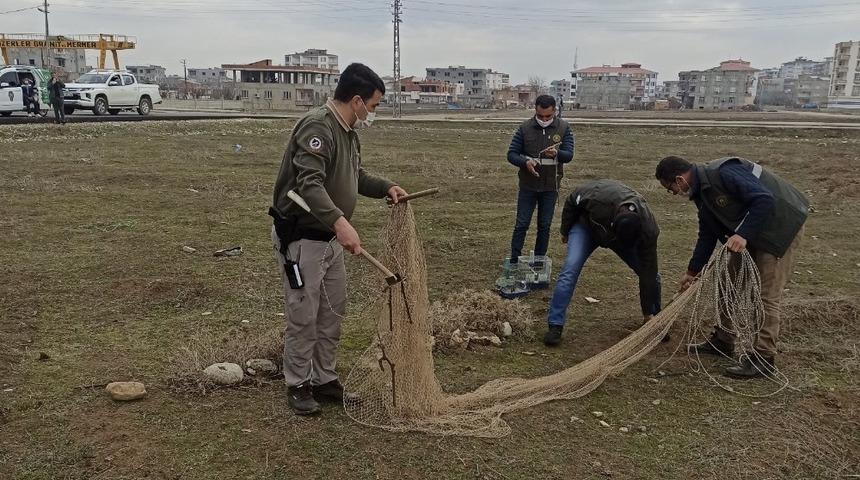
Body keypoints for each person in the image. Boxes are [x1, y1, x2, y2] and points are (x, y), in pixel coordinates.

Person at [269, 63, 408, 415]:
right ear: (357, 100)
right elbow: (308, 184)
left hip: (330, 241)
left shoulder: (348, 131)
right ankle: (297, 383)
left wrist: (385, 188)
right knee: (305, 312)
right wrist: (339, 222)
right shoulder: (319, 126)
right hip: (304, 239)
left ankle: (324, 378)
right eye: (373, 106)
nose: (372, 113)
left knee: (332, 310)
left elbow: (353, 174)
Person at [655, 155, 808, 378]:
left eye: (671, 189)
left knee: (766, 296)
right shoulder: (702, 193)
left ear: (679, 179)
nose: (675, 194)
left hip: (779, 230)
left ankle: (763, 359)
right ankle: (723, 341)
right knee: (728, 283)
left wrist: (743, 234)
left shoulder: (724, 172)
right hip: (754, 231)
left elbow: (764, 199)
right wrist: (692, 272)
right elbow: (707, 234)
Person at [544, 180, 661, 346]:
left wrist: (649, 313)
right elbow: (572, 200)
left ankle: (655, 320)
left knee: (653, 275)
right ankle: (555, 326)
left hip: (621, 238)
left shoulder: (648, 229)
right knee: (570, 269)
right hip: (587, 227)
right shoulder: (598, 198)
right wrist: (565, 230)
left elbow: (649, 272)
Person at [506, 94, 575, 264]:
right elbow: (512, 154)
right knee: (521, 224)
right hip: (528, 186)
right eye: (540, 116)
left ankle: (538, 262)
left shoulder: (564, 128)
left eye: (548, 116)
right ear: (535, 111)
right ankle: (514, 260)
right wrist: (525, 162)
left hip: (550, 187)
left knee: (544, 226)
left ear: (555, 111)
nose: (544, 119)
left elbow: (569, 155)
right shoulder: (524, 128)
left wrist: (558, 153)